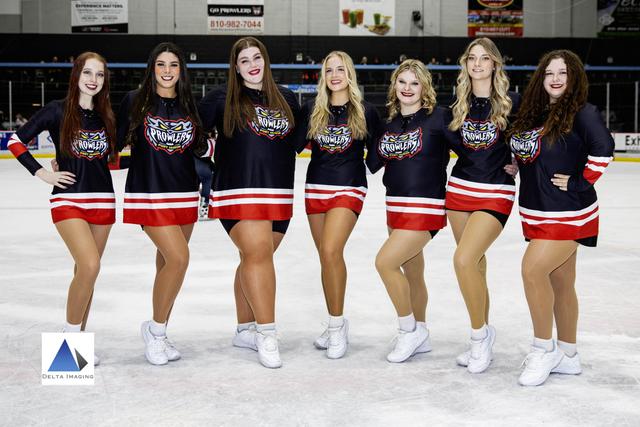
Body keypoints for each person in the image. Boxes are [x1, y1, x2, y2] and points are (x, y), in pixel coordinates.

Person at [508, 50, 614, 386]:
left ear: (574, 78)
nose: (555, 79)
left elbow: (604, 150)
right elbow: (533, 151)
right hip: (536, 209)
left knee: (532, 270)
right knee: (561, 281)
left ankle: (543, 349)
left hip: (568, 212)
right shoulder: (534, 113)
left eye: (563, 73)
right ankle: (568, 355)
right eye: (550, 73)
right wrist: (516, 163)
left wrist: (580, 182)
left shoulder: (583, 112)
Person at [7, 52, 117, 365]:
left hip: (103, 201)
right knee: (90, 266)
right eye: (88, 73)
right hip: (68, 200)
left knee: (86, 273)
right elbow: (15, 141)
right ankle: (68, 346)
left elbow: (111, 161)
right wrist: (43, 173)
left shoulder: (107, 116)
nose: (93, 80)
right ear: (76, 75)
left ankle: (79, 343)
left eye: (99, 74)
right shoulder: (58, 109)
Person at [198, 37, 300, 369]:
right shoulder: (220, 98)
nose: (252, 65)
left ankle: (245, 329)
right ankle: (267, 333)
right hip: (238, 192)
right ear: (236, 67)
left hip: (279, 195)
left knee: (253, 259)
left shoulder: (286, 97)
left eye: (257, 57)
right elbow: (190, 135)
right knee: (258, 256)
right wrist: (206, 163)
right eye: (244, 60)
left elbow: (301, 140)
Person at [117, 42, 204, 366]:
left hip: (184, 194)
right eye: (161, 64)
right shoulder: (135, 101)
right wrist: (66, 158)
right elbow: (111, 143)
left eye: (174, 65)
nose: (167, 71)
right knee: (179, 259)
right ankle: (154, 331)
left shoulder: (189, 104)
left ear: (182, 70)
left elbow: (199, 147)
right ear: (152, 68)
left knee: (167, 266)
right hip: (150, 194)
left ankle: (161, 330)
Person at [298, 51, 381, 359]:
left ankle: (335, 327)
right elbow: (288, 144)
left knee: (332, 250)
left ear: (350, 74)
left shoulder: (366, 111)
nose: (335, 75)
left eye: (341, 69)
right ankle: (337, 321)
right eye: (329, 70)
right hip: (315, 187)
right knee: (325, 257)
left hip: (349, 187)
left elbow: (381, 149)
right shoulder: (312, 109)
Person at [445, 37, 520, 374]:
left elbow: (533, 139)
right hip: (460, 190)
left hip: (495, 191)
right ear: (466, 64)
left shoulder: (512, 102)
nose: (477, 63)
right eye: (472, 58)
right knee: (475, 264)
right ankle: (484, 331)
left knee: (463, 260)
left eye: (484, 58)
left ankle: (479, 338)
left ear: (495, 64)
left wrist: (520, 161)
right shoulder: (457, 105)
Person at [371, 59, 449, 363]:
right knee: (413, 272)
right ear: (394, 86)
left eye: (414, 83)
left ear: (424, 87)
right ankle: (421, 331)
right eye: (402, 82)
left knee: (385, 263)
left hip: (425, 207)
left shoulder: (439, 118)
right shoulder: (388, 125)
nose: (407, 88)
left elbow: (471, 148)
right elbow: (372, 162)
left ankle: (408, 330)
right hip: (395, 207)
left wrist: (507, 162)